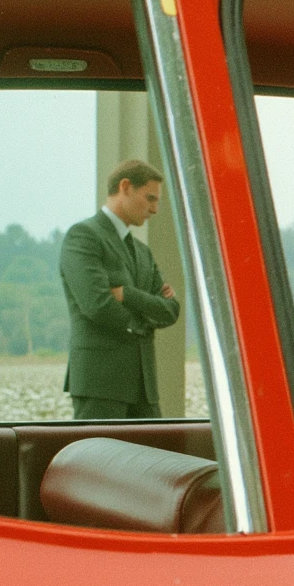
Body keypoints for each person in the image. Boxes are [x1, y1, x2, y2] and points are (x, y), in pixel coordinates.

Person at [59, 160, 180, 420]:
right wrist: (146, 317)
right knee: (95, 461)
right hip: (100, 384)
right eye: (150, 198)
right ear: (125, 187)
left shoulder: (143, 252)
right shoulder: (83, 236)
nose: (155, 209)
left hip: (144, 390)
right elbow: (97, 305)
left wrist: (128, 294)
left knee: (155, 459)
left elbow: (170, 311)